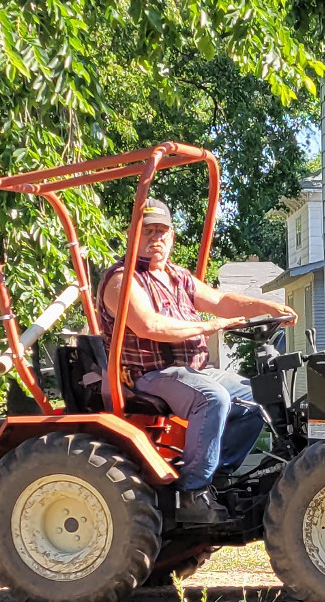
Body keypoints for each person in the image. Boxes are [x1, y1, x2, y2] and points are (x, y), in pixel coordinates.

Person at [97, 198, 296, 523]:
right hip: (148, 375)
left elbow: (220, 301)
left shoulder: (177, 277)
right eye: (147, 231)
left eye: (162, 231)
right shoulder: (122, 281)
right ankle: (191, 493)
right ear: (131, 234)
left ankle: (216, 476)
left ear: (172, 236)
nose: (155, 238)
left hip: (192, 370)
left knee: (259, 396)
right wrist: (209, 326)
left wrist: (266, 307)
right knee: (211, 398)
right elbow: (150, 326)